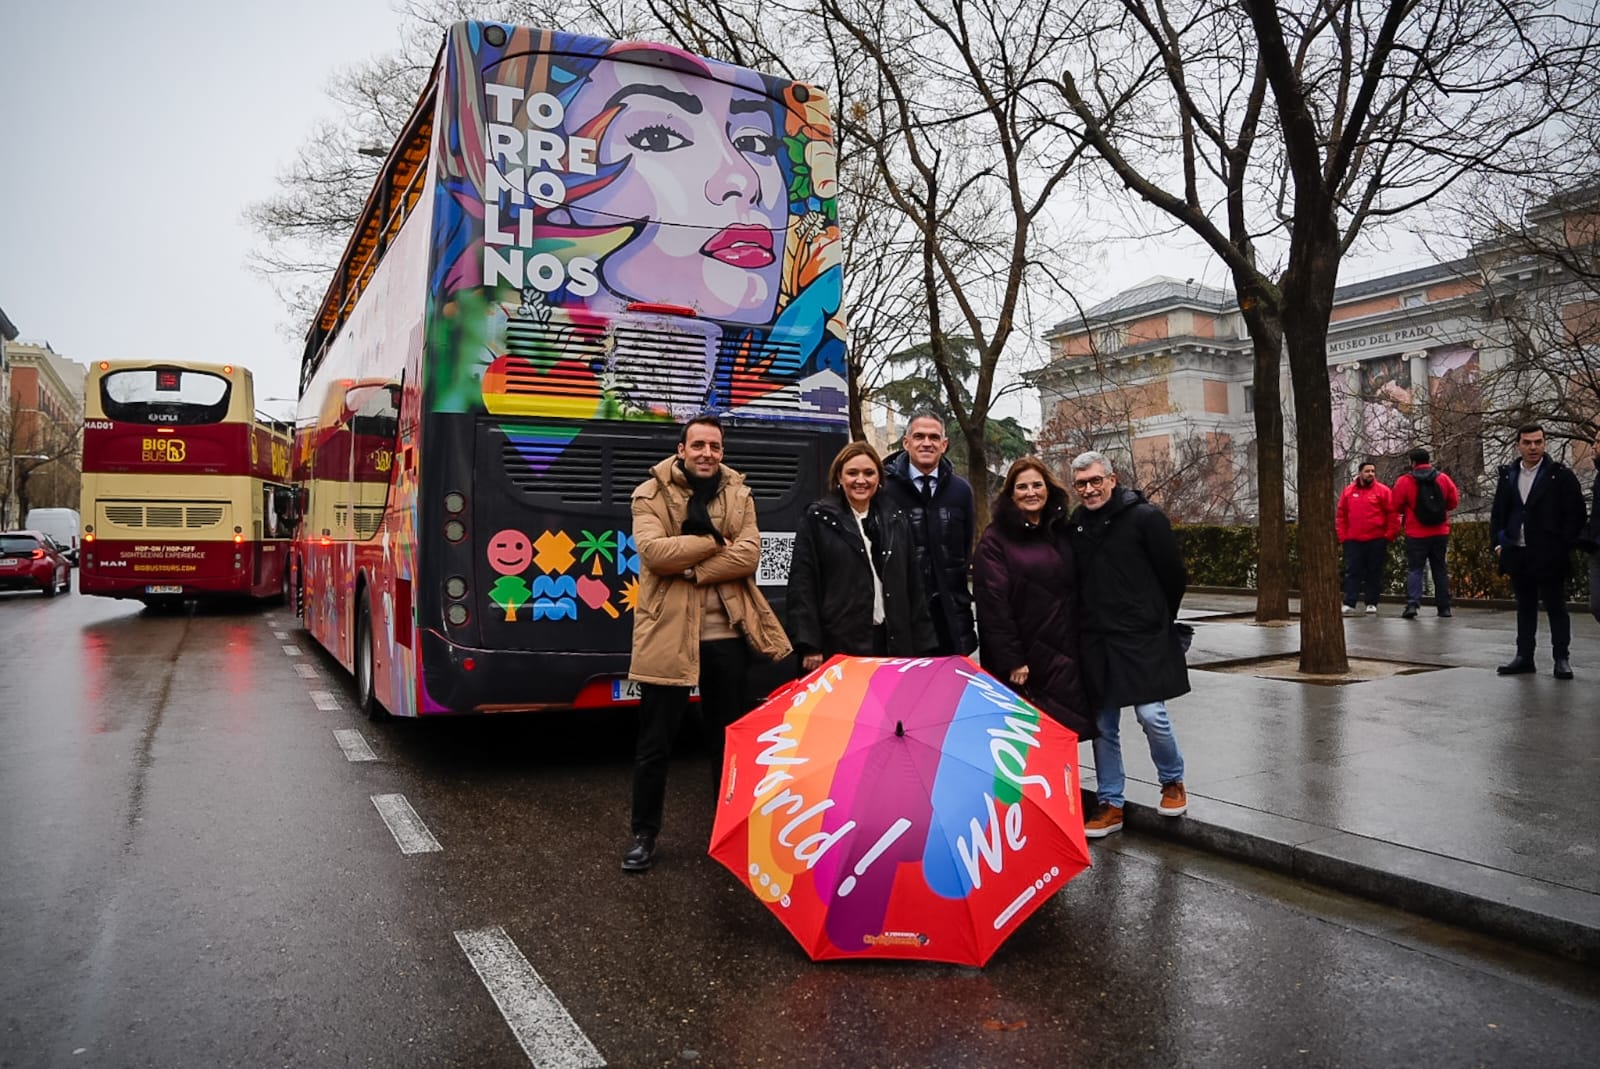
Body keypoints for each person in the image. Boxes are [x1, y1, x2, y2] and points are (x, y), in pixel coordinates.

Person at [623, 415, 792, 872]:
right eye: (698, 445)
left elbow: (750, 553)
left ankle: (728, 830)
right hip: (668, 635)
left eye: (715, 447)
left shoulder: (739, 492)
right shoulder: (650, 493)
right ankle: (644, 834)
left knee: (728, 740)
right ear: (681, 449)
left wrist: (696, 567)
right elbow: (654, 554)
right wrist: (715, 541)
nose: (707, 454)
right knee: (655, 743)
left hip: (726, 636)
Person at [1067, 451, 1190, 838]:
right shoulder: (1076, 526)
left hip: (1141, 635)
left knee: (1151, 713)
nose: (1089, 489)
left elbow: (1174, 575)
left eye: (1095, 481)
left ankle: (1172, 780)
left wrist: (1155, 617)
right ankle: (1110, 803)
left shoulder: (1145, 518)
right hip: (1096, 638)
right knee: (1103, 726)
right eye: (1082, 484)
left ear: (1112, 479)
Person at [972, 458, 1093, 741]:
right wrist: (1012, 659)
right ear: (1011, 494)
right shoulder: (995, 540)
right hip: (1025, 659)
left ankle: (1065, 786)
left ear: (1048, 489)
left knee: (1065, 731)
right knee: (1027, 733)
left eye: (1037, 485)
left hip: (1066, 652)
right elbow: (993, 605)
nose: (1031, 492)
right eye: (1022, 486)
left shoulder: (1062, 531)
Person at [787, 441, 938, 667]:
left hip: (892, 643)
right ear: (839, 477)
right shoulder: (818, 519)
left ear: (879, 478)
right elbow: (803, 585)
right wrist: (809, 645)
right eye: (852, 473)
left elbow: (913, 585)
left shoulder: (895, 518)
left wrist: (924, 643)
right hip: (841, 643)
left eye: (869, 473)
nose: (861, 480)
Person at [1489, 423, 1587, 679]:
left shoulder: (1559, 475)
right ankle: (1524, 657)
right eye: (1527, 442)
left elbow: (1575, 514)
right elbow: (1499, 512)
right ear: (1518, 445)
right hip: (1518, 552)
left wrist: (1562, 545)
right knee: (1525, 607)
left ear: (1545, 443)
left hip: (1549, 553)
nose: (1533, 447)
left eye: (1538, 442)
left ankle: (1561, 658)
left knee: (1556, 606)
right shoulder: (1508, 475)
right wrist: (1499, 543)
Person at [880, 412, 979, 656]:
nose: (927, 443)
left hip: (951, 615)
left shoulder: (960, 491)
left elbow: (965, 547)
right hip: (903, 616)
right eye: (919, 436)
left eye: (934, 437)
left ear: (944, 445)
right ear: (906, 442)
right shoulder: (884, 489)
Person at [1391, 447, 1461, 619]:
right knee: (1440, 569)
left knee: (1415, 569)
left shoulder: (1404, 481)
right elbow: (1453, 502)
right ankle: (1444, 607)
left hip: (1416, 532)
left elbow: (1396, 505)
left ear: (1412, 462)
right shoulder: (1443, 478)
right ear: (1429, 460)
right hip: (1439, 531)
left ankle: (1412, 605)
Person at [1335, 461, 1398, 615]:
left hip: (1376, 539)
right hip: (1353, 539)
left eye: (1373, 471)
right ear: (1360, 472)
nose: (1371, 474)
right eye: (1367, 471)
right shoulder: (1349, 492)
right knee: (1352, 571)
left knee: (1374, 572)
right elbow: (1341, 515)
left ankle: (1371, 602)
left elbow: (1392, 514)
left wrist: (1388, 535)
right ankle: (1350, 602)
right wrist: (1343, 536)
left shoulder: (1383, 491)